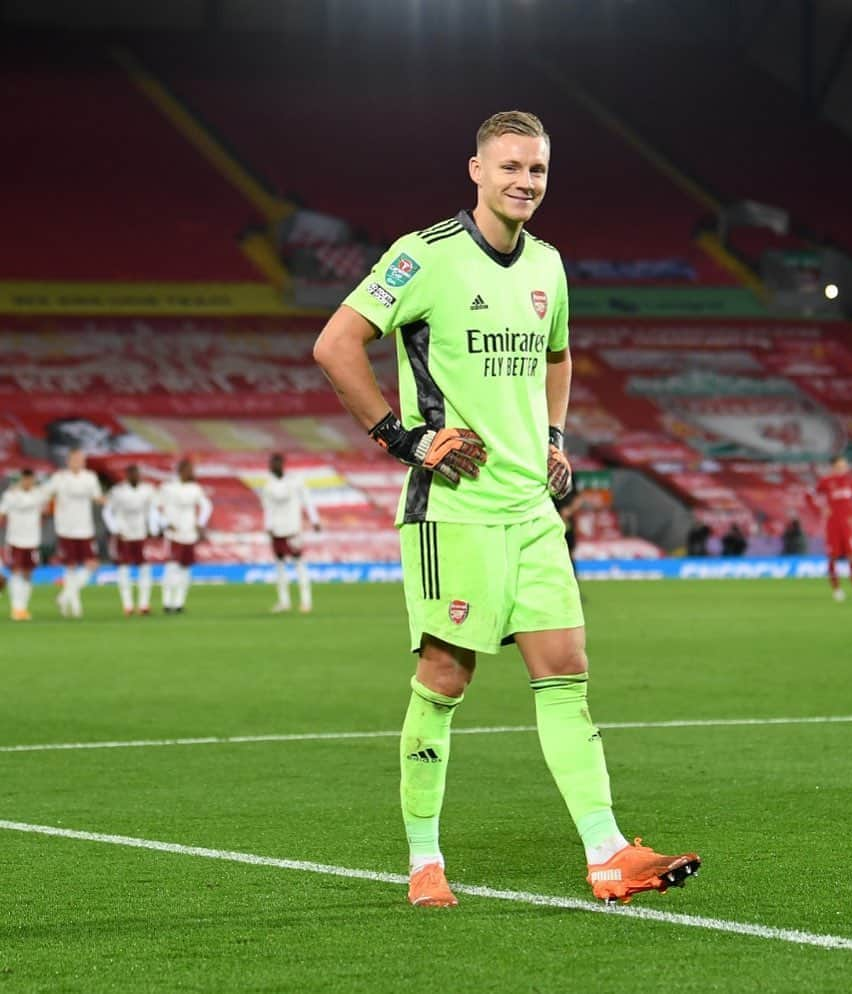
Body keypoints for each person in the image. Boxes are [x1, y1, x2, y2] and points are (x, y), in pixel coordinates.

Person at [312, 110, 699, 909]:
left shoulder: (549, 266)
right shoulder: (423, 255)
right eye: (512, 168)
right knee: (445, 676)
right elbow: (335, 344)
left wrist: (554, 433)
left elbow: (557, 354)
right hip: (452, 513)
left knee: (565, 675)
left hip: (531, 509)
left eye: (539, 170)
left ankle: (608, 853)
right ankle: (425, 862)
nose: (527, 182)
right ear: (477, 171)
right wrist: (403, 438)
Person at [259, 453, 321, 613]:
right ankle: (284, 601)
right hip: (277, 530)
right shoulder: (268, 486)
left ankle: (306, 601)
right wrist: (268, 526)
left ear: (281, 464)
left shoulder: (295, 482)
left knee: (298, 563)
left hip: (293, 529)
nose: (272, 467)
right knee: (279, 565)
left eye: (275, 464)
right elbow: (267, 508)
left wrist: (314, 520)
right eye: (271, 464)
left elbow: (307, 500)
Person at [48, 449, 105, 619]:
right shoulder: (59, 478)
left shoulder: (90, 477)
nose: (79, 462)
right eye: (76, 459)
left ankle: (64, 597)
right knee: (70, 567)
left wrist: (109, 500)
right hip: (65, 528)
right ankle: (75, 606)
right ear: (69, 460)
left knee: (92, 564)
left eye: (82, 460)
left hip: (84, 528)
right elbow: (46, 493)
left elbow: (97, 497)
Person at [809, 455, 852, 602]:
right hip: (833, 525)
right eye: (841, 465)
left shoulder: (850, 481)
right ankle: (837, 590)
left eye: (845, 465)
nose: (844, 467)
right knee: (832, 557)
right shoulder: (826, 481)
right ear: (834, 466)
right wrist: (819, 509)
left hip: (847, 525)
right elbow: (809, 495)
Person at [102, 464, 159, 616]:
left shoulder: (147, 490)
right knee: (124, 569)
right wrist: (115, 530)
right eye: (132, 474)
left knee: (145, 569)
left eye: (137, 473)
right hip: (124, 535)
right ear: (127, 476)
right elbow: (107, 511)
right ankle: (127, 605)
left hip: (140, 534)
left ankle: (144, 604)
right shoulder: (118, 492)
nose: (135, 476)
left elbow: (152, 510)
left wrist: (153, 529)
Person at [157, 458, 213, 614]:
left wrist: (200, 523)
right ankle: (167, 602)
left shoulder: (195, 488)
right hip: (173, 534)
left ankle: (179, 602)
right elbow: (156, 507)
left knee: (185, 569)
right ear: (181, 471)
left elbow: (206, 505)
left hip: (189, 533)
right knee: (171, 568)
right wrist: (164, 522)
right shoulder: (168, 488)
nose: (192, 473)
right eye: (189, 470)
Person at [0, 469, 49, 620]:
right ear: (21, 480)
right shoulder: (11, 495)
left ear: (33, 480)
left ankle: (23, 608)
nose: (28, 482)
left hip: (32, 540)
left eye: (31, 479)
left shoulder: (39, 495)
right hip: (14, 540)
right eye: (25, 479)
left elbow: (46, 510)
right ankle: (17, 608)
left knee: (28, 574)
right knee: (15, 571)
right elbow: (2, 513)